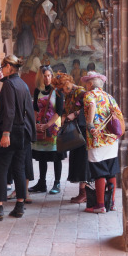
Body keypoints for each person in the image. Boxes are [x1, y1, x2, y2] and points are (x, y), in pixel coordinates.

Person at [0, 55, 36, 221]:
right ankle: (19, 206)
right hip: (21, 133)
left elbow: (9, 111)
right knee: (18, 168)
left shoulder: (9, 84)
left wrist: (5, 133)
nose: (1, 69)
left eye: (3, 66)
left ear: (10, 67)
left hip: (10, 132)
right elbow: (28, 111)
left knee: (0, 168)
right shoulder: (22, 83)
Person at [81, 71, 124, 213]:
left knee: (99, 171)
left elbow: (92, 106)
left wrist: (90, 124)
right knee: (111, 171)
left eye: (87, 83)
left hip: (97, 139)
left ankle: (100, 205)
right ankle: (111, 203)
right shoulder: (109, 97)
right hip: (111, 139)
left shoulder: (89, 95)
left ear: (90, 84)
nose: (86, 85)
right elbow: (118, 114)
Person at [51, 73, 91, 203]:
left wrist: (74, 114)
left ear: (69, 81)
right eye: (61, 88)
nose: (63, 90)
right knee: (76, 161)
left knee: (83, 162)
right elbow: (64, 110)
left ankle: (84, 192)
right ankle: (82, 192)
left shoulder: (81, 92)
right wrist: (62, 119)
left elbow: (89, 107)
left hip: (82, 131)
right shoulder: (67, 95)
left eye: (64, 86)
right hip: (73, 132)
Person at [28, 65, 65, 194]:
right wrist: (35, 123)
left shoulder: (58, 91)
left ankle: (57, 183)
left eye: (49, 75)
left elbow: (59, 111)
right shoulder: (38, 91)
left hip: (54, 128)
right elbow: (35, 109)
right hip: (41, 128)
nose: (47, 78)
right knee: (41, 155)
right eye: (44, 76)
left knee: (56, 156)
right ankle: (41, 183)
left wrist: (47, 125)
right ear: (40, 77)